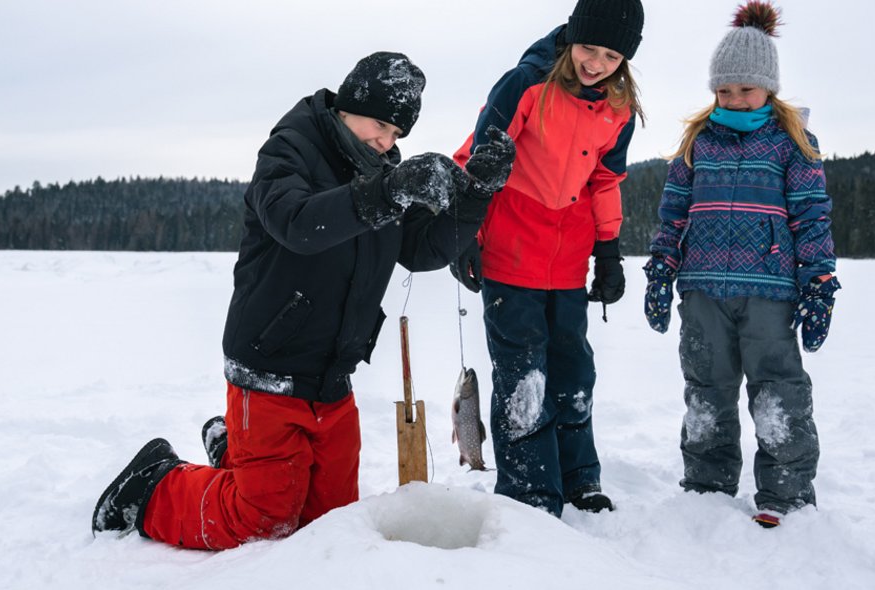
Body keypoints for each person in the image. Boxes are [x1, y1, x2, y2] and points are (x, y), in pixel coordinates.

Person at [91, 51, 516, 549]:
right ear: (347, 106)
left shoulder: (379, 170)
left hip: (333, 379)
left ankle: (234, 451)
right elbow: (298, 225)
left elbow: (422, 250)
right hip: (270, 367)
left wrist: (478, 194)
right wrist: (391, 189)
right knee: (262, 522)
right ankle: (150, 488)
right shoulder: (290, 150)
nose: (386, 142)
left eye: (397, 135)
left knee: (327, 527)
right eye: (379, 124)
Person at [643, 1, 839, 528]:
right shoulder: (697, 142)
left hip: (770, 290)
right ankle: (706, 485)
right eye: (723, 91)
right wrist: (662, 266)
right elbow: (673, 211)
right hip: (703, 287)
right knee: (706, 388)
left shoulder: (793, 142)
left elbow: (811, 217)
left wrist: (818, 280)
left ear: (768, 87)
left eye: (744, 89)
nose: (732, 99)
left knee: (778, 391)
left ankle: (787, 492)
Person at [449, 0, 645, 517]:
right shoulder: (527, 85)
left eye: (610, 55)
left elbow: (605, 180)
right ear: (571, 37)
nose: (596, 62)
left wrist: (609, 252)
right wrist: (464, 228)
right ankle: (530, 494)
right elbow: (477, 156)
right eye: (588, 47)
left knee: (573, 370)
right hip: (511, 252)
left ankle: (578, 478)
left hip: (569, 259)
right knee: (522, 377)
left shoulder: (618, 108)